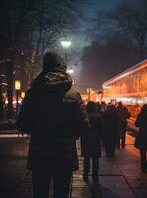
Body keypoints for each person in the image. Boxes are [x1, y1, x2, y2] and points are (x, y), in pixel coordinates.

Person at [16, 51, 90, 198]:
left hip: (40, 154)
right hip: (64, 156)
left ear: (45, 67)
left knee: (40, 193)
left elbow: (22, 124)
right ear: (62, 68)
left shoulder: (33, 93)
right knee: (61, 194)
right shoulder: (73, 94)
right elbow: (84, 127)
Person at [81, 101, 104, 182]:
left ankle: (85, 174)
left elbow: (81, 128)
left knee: (86, 158)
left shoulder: (84, 116)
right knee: (95, 159)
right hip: (95, 139)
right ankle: (95, 175)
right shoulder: (98, 116)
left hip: (86, 139)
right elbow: (102, 129)